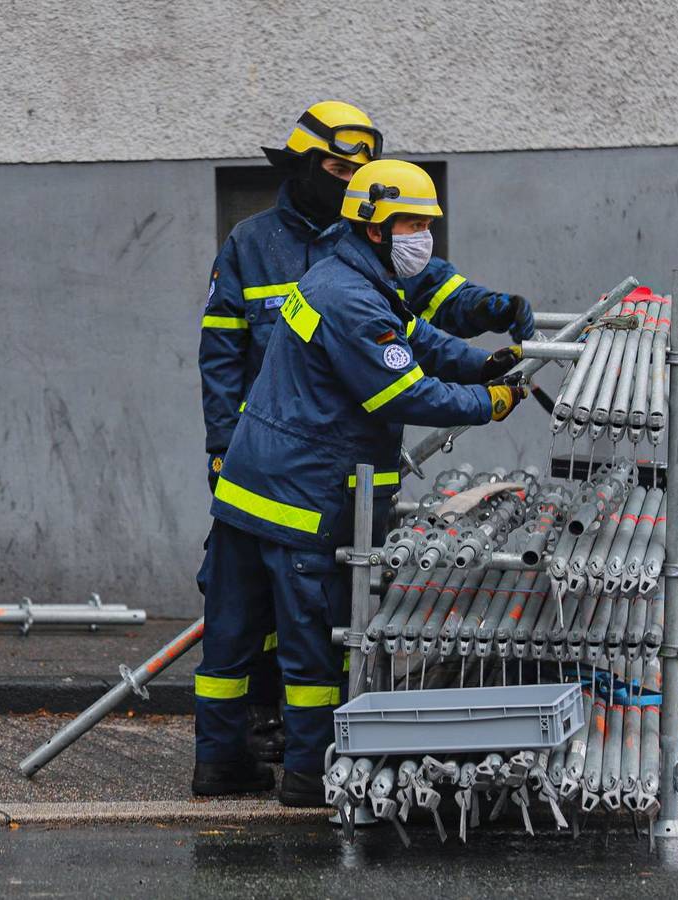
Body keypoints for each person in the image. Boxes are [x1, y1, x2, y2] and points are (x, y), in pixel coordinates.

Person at [197, 101, 534, 762]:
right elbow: (399, 383)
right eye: (411, 224)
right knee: (309, 638)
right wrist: (487, 403)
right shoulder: (283, 258)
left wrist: (487, 347)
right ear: (375, 225)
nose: (423, 239)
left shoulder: (353, 265)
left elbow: (418, 330)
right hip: (303, 488)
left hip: (268, 477)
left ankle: (223, 762)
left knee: (238, 636)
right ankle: (305, 770)